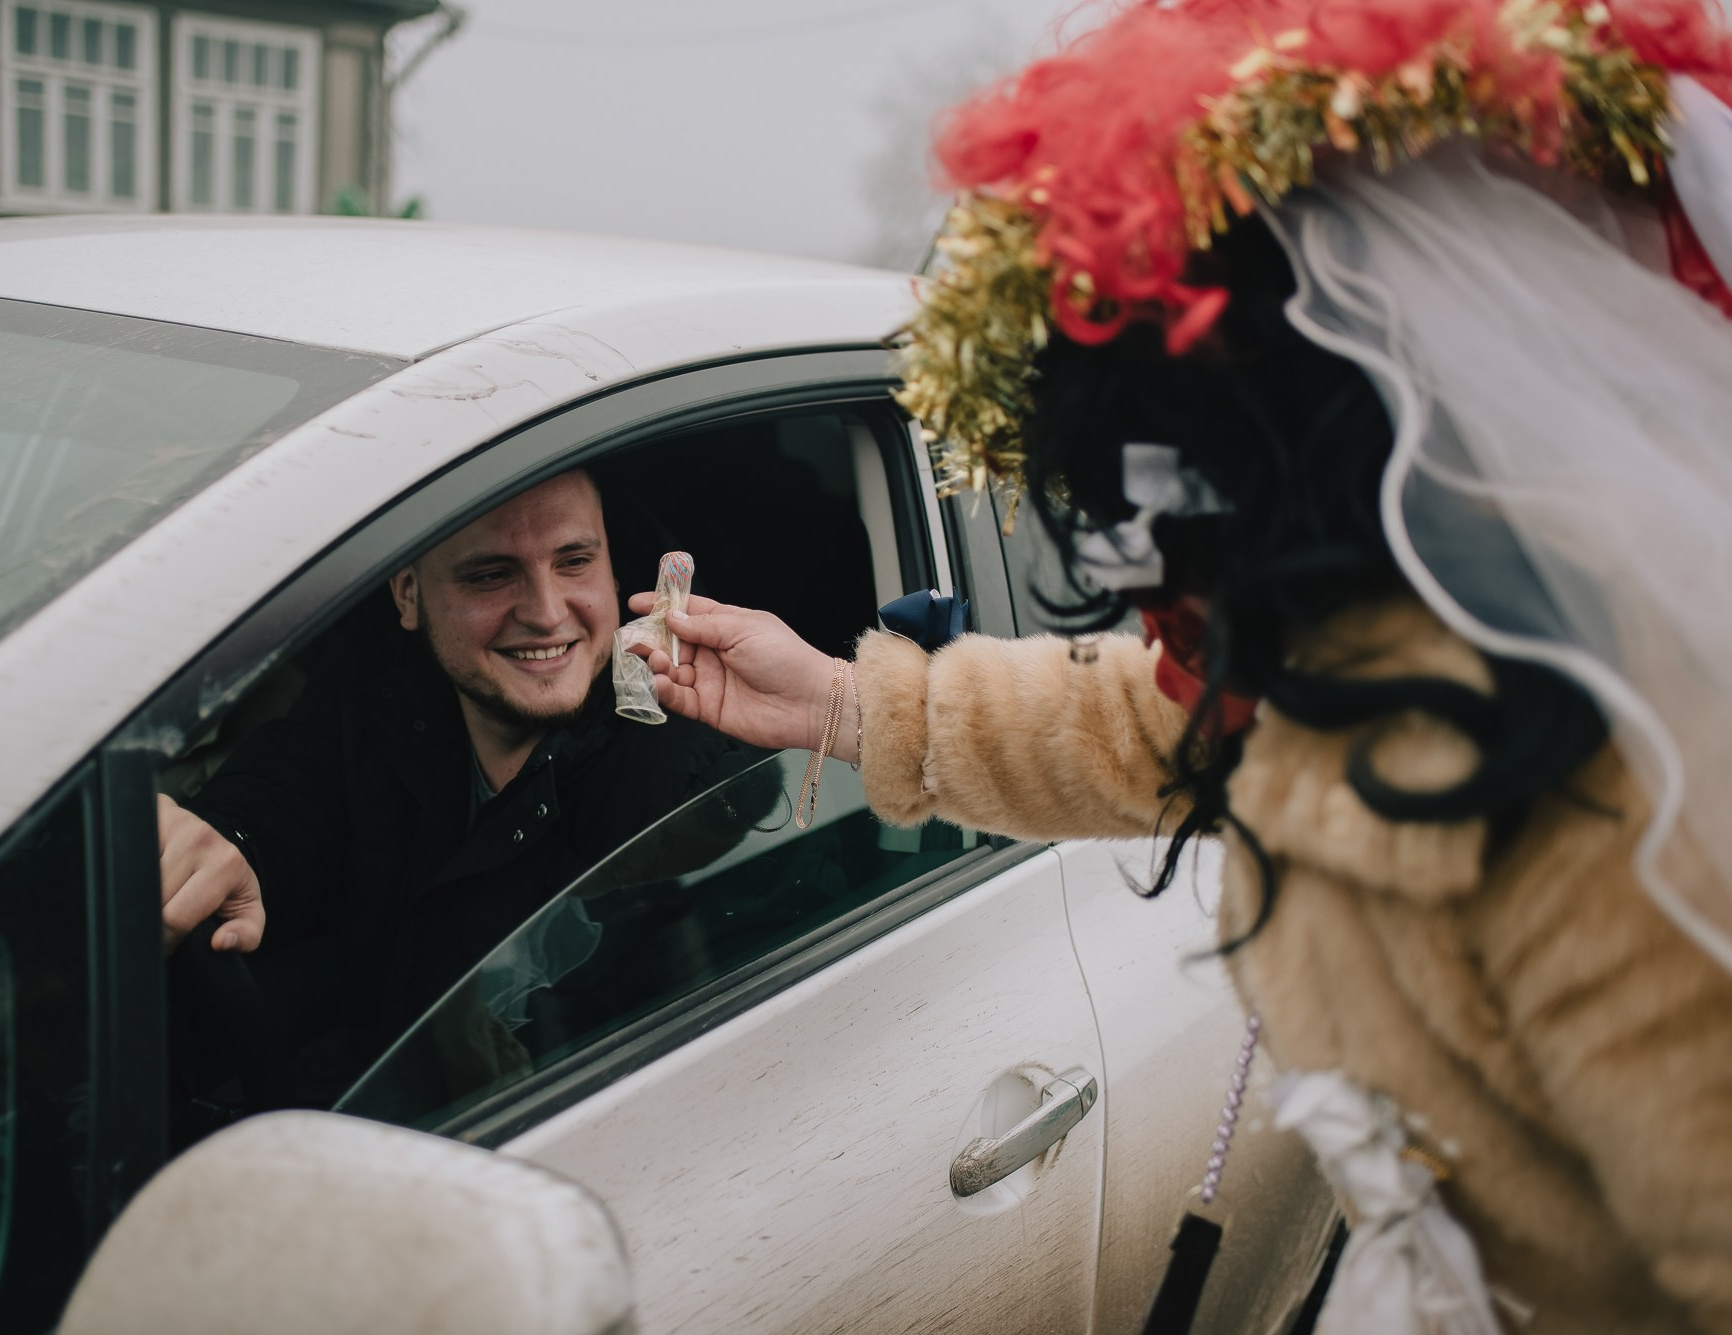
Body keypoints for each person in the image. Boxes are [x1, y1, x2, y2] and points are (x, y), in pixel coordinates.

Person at [631, 1, 1732, 1329]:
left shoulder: (1604, 790)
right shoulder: (1354, 642)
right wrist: (840, 698)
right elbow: (1142, 719)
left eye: (1166, 490)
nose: (1137, 568)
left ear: (1304, 444)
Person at [157, 469, 753, 1061]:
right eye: (491, 575)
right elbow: (286, 791)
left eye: (574, 563)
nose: (547, 614)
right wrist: (223, 844)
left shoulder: (670, 775)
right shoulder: (385, 689)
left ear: (614, 572)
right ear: (409, 596)